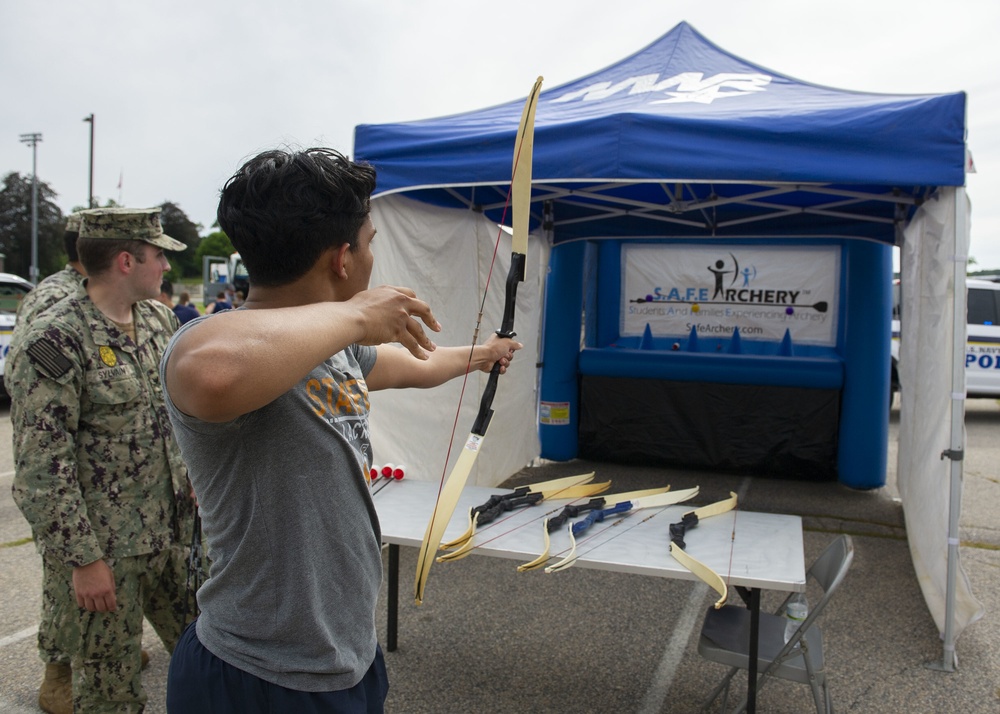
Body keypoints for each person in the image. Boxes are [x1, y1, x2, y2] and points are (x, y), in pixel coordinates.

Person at [160, 147, 521, 714]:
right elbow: (210, 374)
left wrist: (482, 354)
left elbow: (415, 366)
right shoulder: (212, 342)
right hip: (255, 672)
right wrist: (357, 314)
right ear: (341, 259)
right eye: (370, 241)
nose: (373, 256)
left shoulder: (335, 346)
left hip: (343, 657)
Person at [9, 207, 201, 713]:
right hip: (108, 553)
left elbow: (180, 414)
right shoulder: (56, 340)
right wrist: (84, 560)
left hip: (173, 537)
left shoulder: (159, 320)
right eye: (158, 255)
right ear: (125, 260)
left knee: (213, 661)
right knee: (110, 695)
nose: (166, 267)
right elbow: (41, 469)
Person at [6, 212, 89, 714]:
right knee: (66, 571)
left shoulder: (92, 291)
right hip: (65, 463)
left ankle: (98, 653)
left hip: (110, 466)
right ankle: (57, 671)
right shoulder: (57, 299)